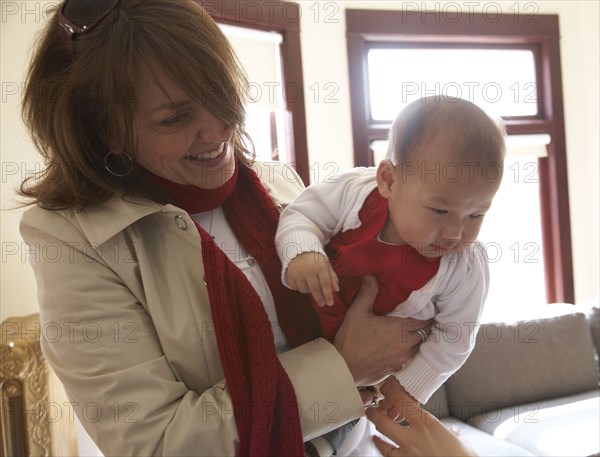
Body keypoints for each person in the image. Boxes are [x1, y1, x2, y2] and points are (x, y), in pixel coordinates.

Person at [17, 0, 476, 455]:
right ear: (103, 131)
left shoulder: (276, 183)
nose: (219, 131)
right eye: (176, 118)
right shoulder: (73, 239)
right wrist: (342, 367)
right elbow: (158, 443)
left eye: (221, 96)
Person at [275, 97, 505, 413]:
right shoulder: (354, 192)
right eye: (440, 210)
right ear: (388, 181)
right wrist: (303, 251)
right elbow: (301, 214)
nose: (455, 232)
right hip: (298, 345)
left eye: (476, 215)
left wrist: (406, 389)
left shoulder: (464, 266)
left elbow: (455, 338)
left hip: (366, 383)